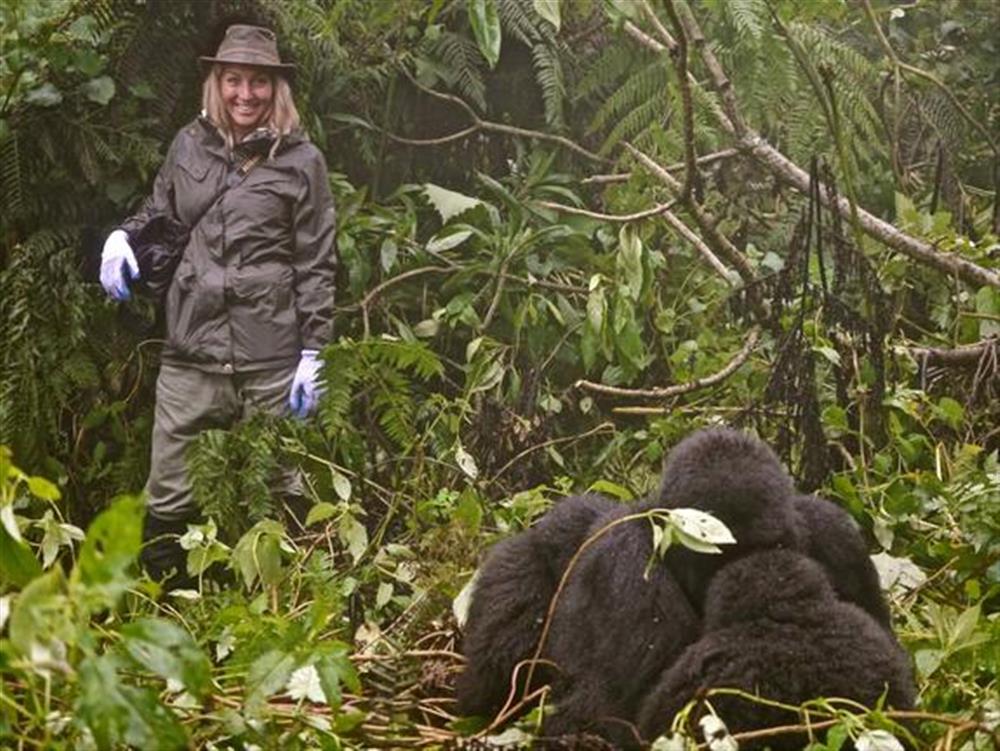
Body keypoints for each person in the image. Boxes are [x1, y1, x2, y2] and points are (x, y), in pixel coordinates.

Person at [99, 24, 337, 587]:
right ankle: (171, 610)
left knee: (279, 485)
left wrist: (314, 350)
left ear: (276, 88)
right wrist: (120, 238)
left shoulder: (302, 162)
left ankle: (285, 607)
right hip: (191, 349)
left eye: (258, 81)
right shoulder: (189, 143)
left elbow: (317, 261)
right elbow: (161, 214)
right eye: (234, 80)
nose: (245, 94)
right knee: (169, 491)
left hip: (271, 356)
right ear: (217, 81)